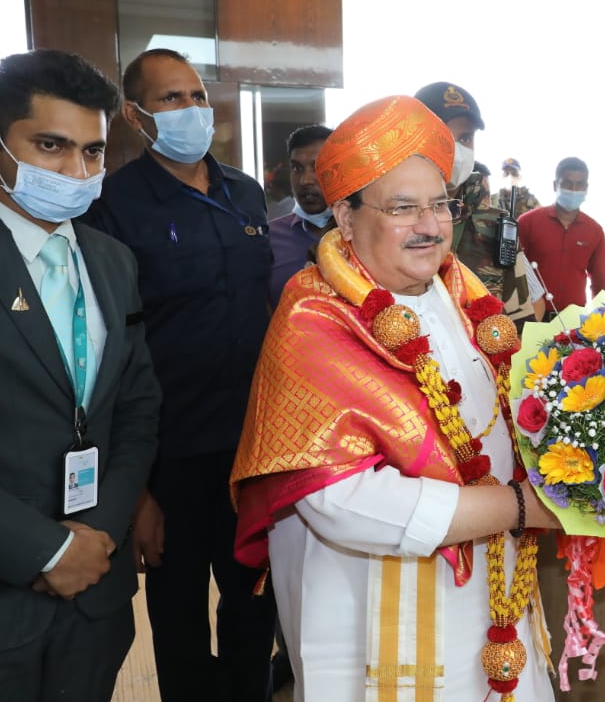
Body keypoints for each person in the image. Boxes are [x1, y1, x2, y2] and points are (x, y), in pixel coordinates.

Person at [231, 95, 560, 702]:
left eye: (440, 204)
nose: (432, 225)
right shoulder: (313, 319)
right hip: (372, 602)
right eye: (404, 208)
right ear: (346, 218)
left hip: (492, 588)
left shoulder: (463, 295)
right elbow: (338, 500)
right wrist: (518, 509)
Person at [81, 49, 276, 701]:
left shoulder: (244, 192)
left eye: (197, 95)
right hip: (169, 459)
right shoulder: (113, 204)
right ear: (136, 116)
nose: (193, 109)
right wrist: (135, 492)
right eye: (172, 99)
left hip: (254, 453)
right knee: (180, 619)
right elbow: (104, 353)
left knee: (254, 611)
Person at [0, 49, 160, 701]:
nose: (76, 172)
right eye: (51, 145)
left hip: (96, 595)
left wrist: (100, 532)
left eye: (92, 152)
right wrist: (44, 550)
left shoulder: (112, 261)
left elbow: (138, 407)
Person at [414, 82, 543, 329]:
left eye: (465, 138)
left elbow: (520, 320)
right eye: (442, 137)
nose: (456, 150)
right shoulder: (389, 218)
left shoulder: (497, 226)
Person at [517, 156, 605, 314]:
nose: (573, 190)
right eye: (567, 184)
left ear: (586, 187)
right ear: (555, 185)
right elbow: (513, 271)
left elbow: (601, 282)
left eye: (579, 184)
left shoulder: (594, 230)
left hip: (575, 321)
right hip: (533, 317)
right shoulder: (528, 223)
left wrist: (599, 317)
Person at [267, 124, 334, 307]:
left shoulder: (362, 233)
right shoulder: (270, 238)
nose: (305, 180)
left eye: (317, 167)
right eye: (297, 168)